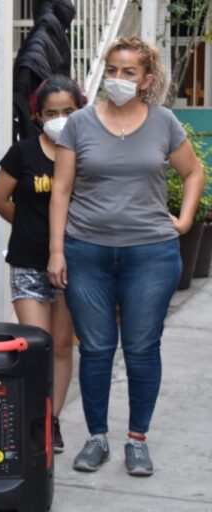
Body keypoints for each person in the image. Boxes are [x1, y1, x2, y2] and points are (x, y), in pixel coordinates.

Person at [48, 37, 204, 476]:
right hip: (86, 253)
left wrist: (186, 220)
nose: (117, 79)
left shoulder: (164, 122)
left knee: (141, 349)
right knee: (96, 349)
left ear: (146, 80)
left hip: (150, 255)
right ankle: (97, 438)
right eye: (112, 70)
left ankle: (137, 440)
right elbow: (60, 190)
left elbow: (192, 172)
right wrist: (57, 251)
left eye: (128, 72)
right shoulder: (78, 123)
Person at [0, 75, 85, 454]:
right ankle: (30, 416)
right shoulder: (23, 153)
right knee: (35, 345)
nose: (60, 118)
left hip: (74, 264)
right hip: (29, 262)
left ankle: (52, 420)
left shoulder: (87, 152)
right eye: (52, 112)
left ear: (81, 111)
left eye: (68, 111)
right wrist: (29, 225)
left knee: (62, 346)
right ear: (38, 115)